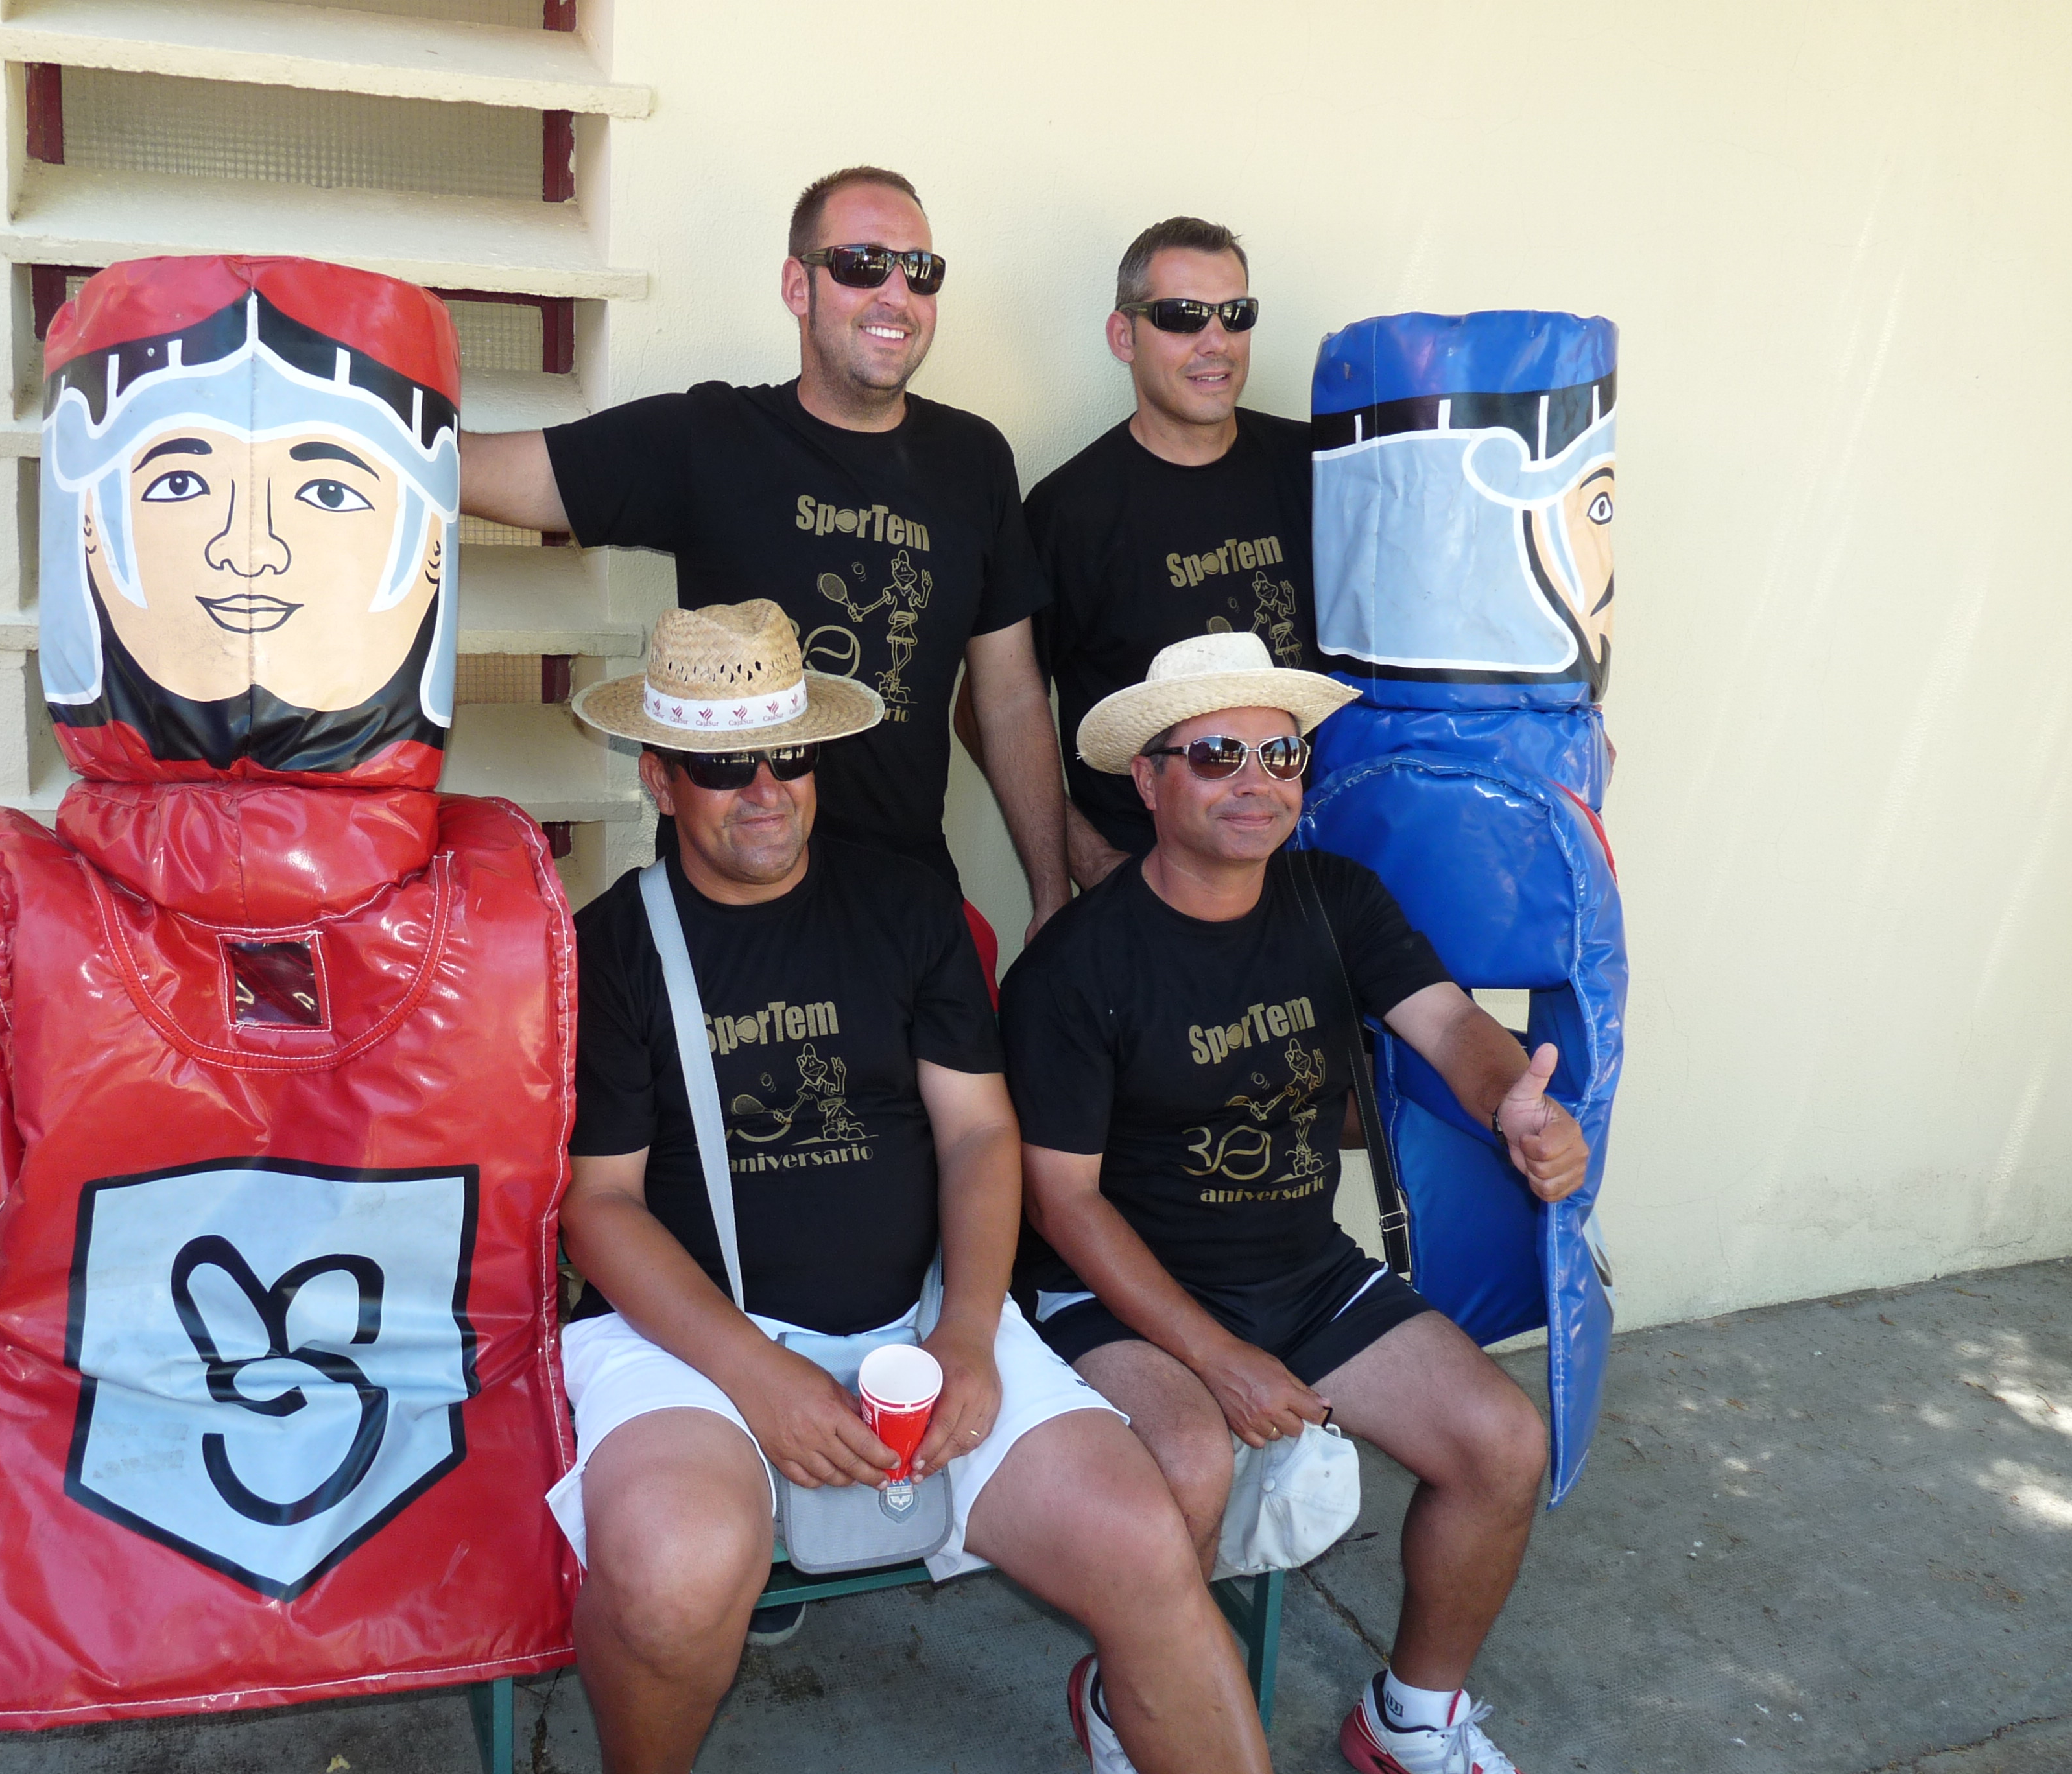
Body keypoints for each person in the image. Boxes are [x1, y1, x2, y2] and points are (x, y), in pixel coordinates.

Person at [552, 600, 1273, 1774]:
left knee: (1144, 1545)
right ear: (659, 779)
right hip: (690, 1345)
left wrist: (970, 1335)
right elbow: (602, 1205)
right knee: (674, 1578)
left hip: (921, 1318)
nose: (765, 789)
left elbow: (980, 1136)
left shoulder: (904, 906)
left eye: (790, 754)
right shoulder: (613, 946)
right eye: (723, 764)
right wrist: (758, 1374)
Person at [1001, 633, 1592, 1774]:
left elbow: (1447, 1024)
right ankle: (1132, 1702)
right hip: (1117, 1293)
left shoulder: (1334, 899)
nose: (1255, 781)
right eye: (1216, 754)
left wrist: (1511, 1104)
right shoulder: (1075, 967)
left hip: (1298, 1268)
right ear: (1148, 780)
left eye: (1280, 756)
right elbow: (1063, 1202)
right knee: (1185, 1462)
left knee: (1500, 1442)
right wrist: (1217, 1359)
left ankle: (1410, 1718)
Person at [458, 165, 1071, 951]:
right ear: (796, 285)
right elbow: (500, 473)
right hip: (729, 912)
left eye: (921, 270)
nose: (897, 294)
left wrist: (1052, 894)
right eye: (862, 264)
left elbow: (1011, 697)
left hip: (905, 913)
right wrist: (343, 429)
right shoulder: (713, 438)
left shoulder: (973, 459)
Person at [1023, 216, 1316, 890]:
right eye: (1183, 317)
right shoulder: (1070, 511)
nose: (1216, 341)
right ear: (1123, 336)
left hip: (1311, 879)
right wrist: (1091, 864)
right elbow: (997, 714)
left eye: (1236, 315)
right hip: (1153, 889)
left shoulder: (1313, 467)